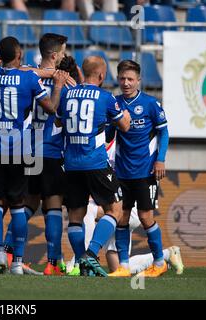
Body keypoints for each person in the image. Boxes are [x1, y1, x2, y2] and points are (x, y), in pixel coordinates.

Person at [0, 36, 68, 275]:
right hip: (21, 148)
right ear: (18, 56)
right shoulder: (28, 78)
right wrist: (57, 84)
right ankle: (17, 260)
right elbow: (51, 109)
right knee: (19, 205)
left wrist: (2, 58)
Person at [56, 55, 131, 277]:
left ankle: (82, 262)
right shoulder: (106, 97)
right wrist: (124, 115)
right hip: (95, 163)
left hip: (70, 165)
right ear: (101, 75)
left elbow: (59, 121)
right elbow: (124, 126)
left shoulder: (67, 95)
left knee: (76, 216)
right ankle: (91, 253)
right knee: (115, 210)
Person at [66, 140, 184, 276]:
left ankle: (82, 259)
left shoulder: (118, 148)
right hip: (118, 204)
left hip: (128, 205)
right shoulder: (97, 149)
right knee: (115, 266)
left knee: (89, 211)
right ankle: (166, 254)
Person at [108, 59, 170, 278]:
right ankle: (124, 266)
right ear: (117, 79)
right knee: (122, 217)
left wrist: (160, 159)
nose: (126, 83)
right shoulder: (114, 103)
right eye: (122, 78)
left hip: (145, 171)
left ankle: (160, 262)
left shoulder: (151, 104)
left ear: (138, 80)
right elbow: (107, 136)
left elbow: (164, 132)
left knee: (145, 217)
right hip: (121, 171)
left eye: (130, 79)